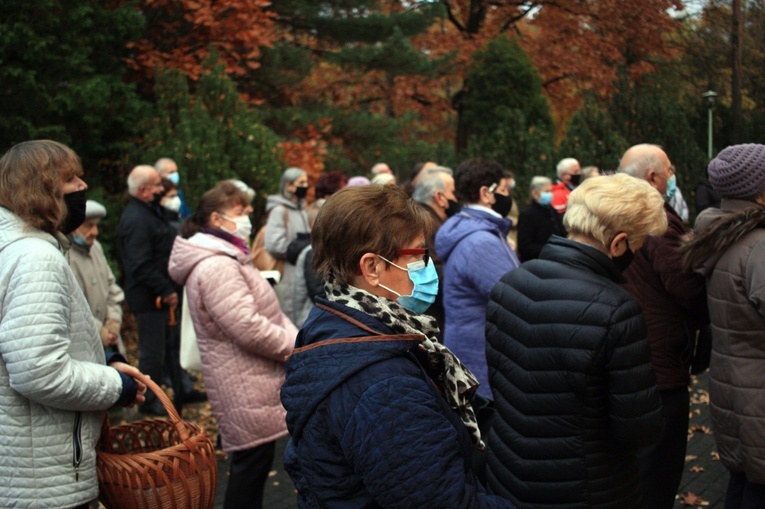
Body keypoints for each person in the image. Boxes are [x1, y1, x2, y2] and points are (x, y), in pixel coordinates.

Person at [280, 184, 514, 509]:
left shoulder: (341, 318)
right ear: (372, 268)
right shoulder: (384, 387)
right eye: (420, 254)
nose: (429, 266)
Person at [485, 173, 666, 509]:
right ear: (618, 244)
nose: (639, 252)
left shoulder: (510, 282)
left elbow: (502, 381)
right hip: (587, 486)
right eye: (639, 245)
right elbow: (638, 428)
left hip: (509, 471)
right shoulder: (616, 310)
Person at [0, 140, 146, 509]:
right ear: (38, 189)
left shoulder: (16, 248)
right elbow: (38, 370)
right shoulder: (34, 258)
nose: (82, 186)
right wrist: (116, 386)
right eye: (70, 178)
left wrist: (104, 361)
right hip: (41, 478)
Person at [168, 181, 296, 509]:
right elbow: (248, 327)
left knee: (253, 464)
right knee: (249, 468)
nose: (250, 215)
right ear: (216, 219)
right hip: (243, 381)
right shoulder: (216, 266)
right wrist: (297, 345)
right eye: (240, 211)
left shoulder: (229, 257)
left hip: (250, 378)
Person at [617, 144, 709, 508]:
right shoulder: (655, 217)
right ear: (653, 176)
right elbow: (686, 288)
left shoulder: (617, 211)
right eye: (669, 170)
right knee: (658, 469)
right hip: (660, 359)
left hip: (633, 348)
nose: (673, 177)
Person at [680, 144, 765, 509]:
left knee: (743, 479)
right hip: (758, 390)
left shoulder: (718, 233)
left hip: (734, 383)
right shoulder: (759, 245)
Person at [119, 165, 202, 415]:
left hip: (162, 295)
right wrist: (165, 290)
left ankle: (180, 390)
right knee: (153, 352)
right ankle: (151, 400)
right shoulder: (137, 218)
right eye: (156, 185)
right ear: (144, 190)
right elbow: (139, 263)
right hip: (150, 299)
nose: (160, 189)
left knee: (170, 347)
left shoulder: (151, 212)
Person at [435, 159, 520, 398]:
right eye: (503, 190)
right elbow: (513, 298)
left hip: (473, 350)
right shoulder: (480, 242)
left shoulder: (470, 229)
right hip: (482, 357)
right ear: (486, 193)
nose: (507, 196)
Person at [69, 199, 127, 356]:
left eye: (96, 226)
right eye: (88, 226)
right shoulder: (63, 255)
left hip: (110, 341)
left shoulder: (96, 248)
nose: (95, 232)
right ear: (73, 227)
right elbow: (71, 305)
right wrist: (98, 330)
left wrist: (113, 323)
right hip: (83, 346)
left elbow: (112, 288)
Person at [411, 166, 459, 335]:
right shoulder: (425, 223)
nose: (455, 198)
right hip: (433, 317)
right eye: (453, 192)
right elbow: (433, 271)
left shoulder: (421, 218)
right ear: (439, 197)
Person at [264, 167, 311, 316]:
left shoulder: (302, 209)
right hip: (286, 274)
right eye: (301, 182)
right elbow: (273, 244)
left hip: (301, 270)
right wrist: (299, 248)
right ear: (288, 186)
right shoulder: (279, 210)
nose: (305, 186)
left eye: (306, 182)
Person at [288, 199, 326, 327]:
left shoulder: (323, 248)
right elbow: (318, 292)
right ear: (316, 224)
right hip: (312, 322)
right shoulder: (313, 253)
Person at [516, 176, 566, 261]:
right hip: (538, 261)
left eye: (551, 191)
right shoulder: (527, 214)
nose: (550, 194)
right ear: (535, 194)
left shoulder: (551, 210)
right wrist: (551, 250)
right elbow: (525, 246)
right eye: (547, 191)